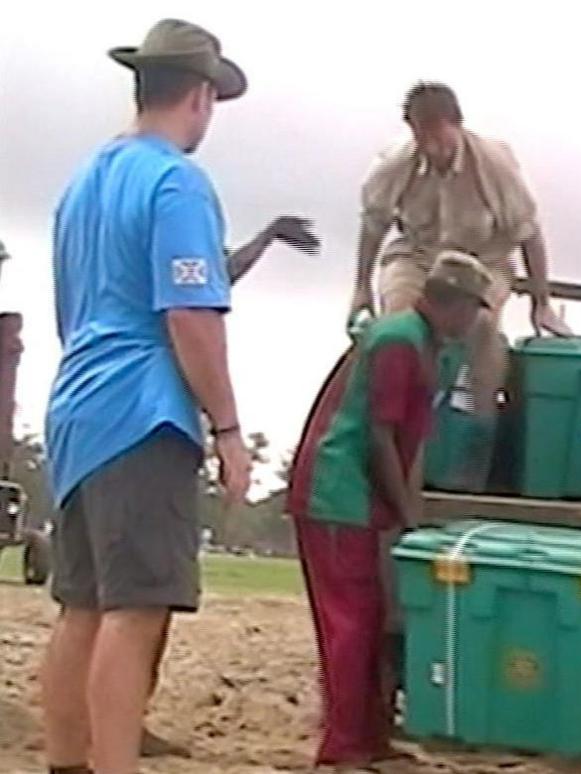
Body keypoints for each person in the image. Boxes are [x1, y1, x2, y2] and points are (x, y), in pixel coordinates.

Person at [39, 19, 260, 774]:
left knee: (83, 608)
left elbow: (72, 308)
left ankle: (67, 763)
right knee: (134, 616)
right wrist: (228, 428)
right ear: (200, 97)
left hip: (75, 408)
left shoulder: (82, 183)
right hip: (142, 414)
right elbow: (190, 313)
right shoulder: (176, 182)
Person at [286, 252, 492, 769]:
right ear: (455, 305)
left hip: (354, 497)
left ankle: (369, 736)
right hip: (337, 494)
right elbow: (379, 435)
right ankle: (342, 745)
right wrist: (407, 513)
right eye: (473, 311)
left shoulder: (421, 342)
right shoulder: (401, 340)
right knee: (350, 622)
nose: (474, 324)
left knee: (371, 617)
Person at [351, 82, 570, 489]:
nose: (432, 147)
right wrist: (361, 288)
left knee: (482, 330)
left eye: (438, 135)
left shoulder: (495, 165)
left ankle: (474, 450)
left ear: (457, 125)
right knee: (399, 327)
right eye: (422, 136)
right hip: (420, 254)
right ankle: (391, 442)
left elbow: (529, 234)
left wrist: (541, 302)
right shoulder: (394, 164)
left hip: (481, 260)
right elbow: (374, 225)